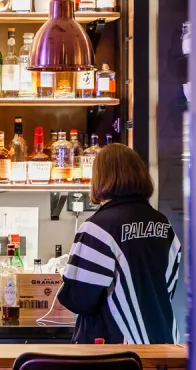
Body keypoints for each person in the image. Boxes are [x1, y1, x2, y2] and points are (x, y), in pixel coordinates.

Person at [57, 143, 181, 344]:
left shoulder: (98, 229)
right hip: (163, 341)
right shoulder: (163, 224)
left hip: (114, 350)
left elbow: (79, 299)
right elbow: (167, 288)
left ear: (100, 178)